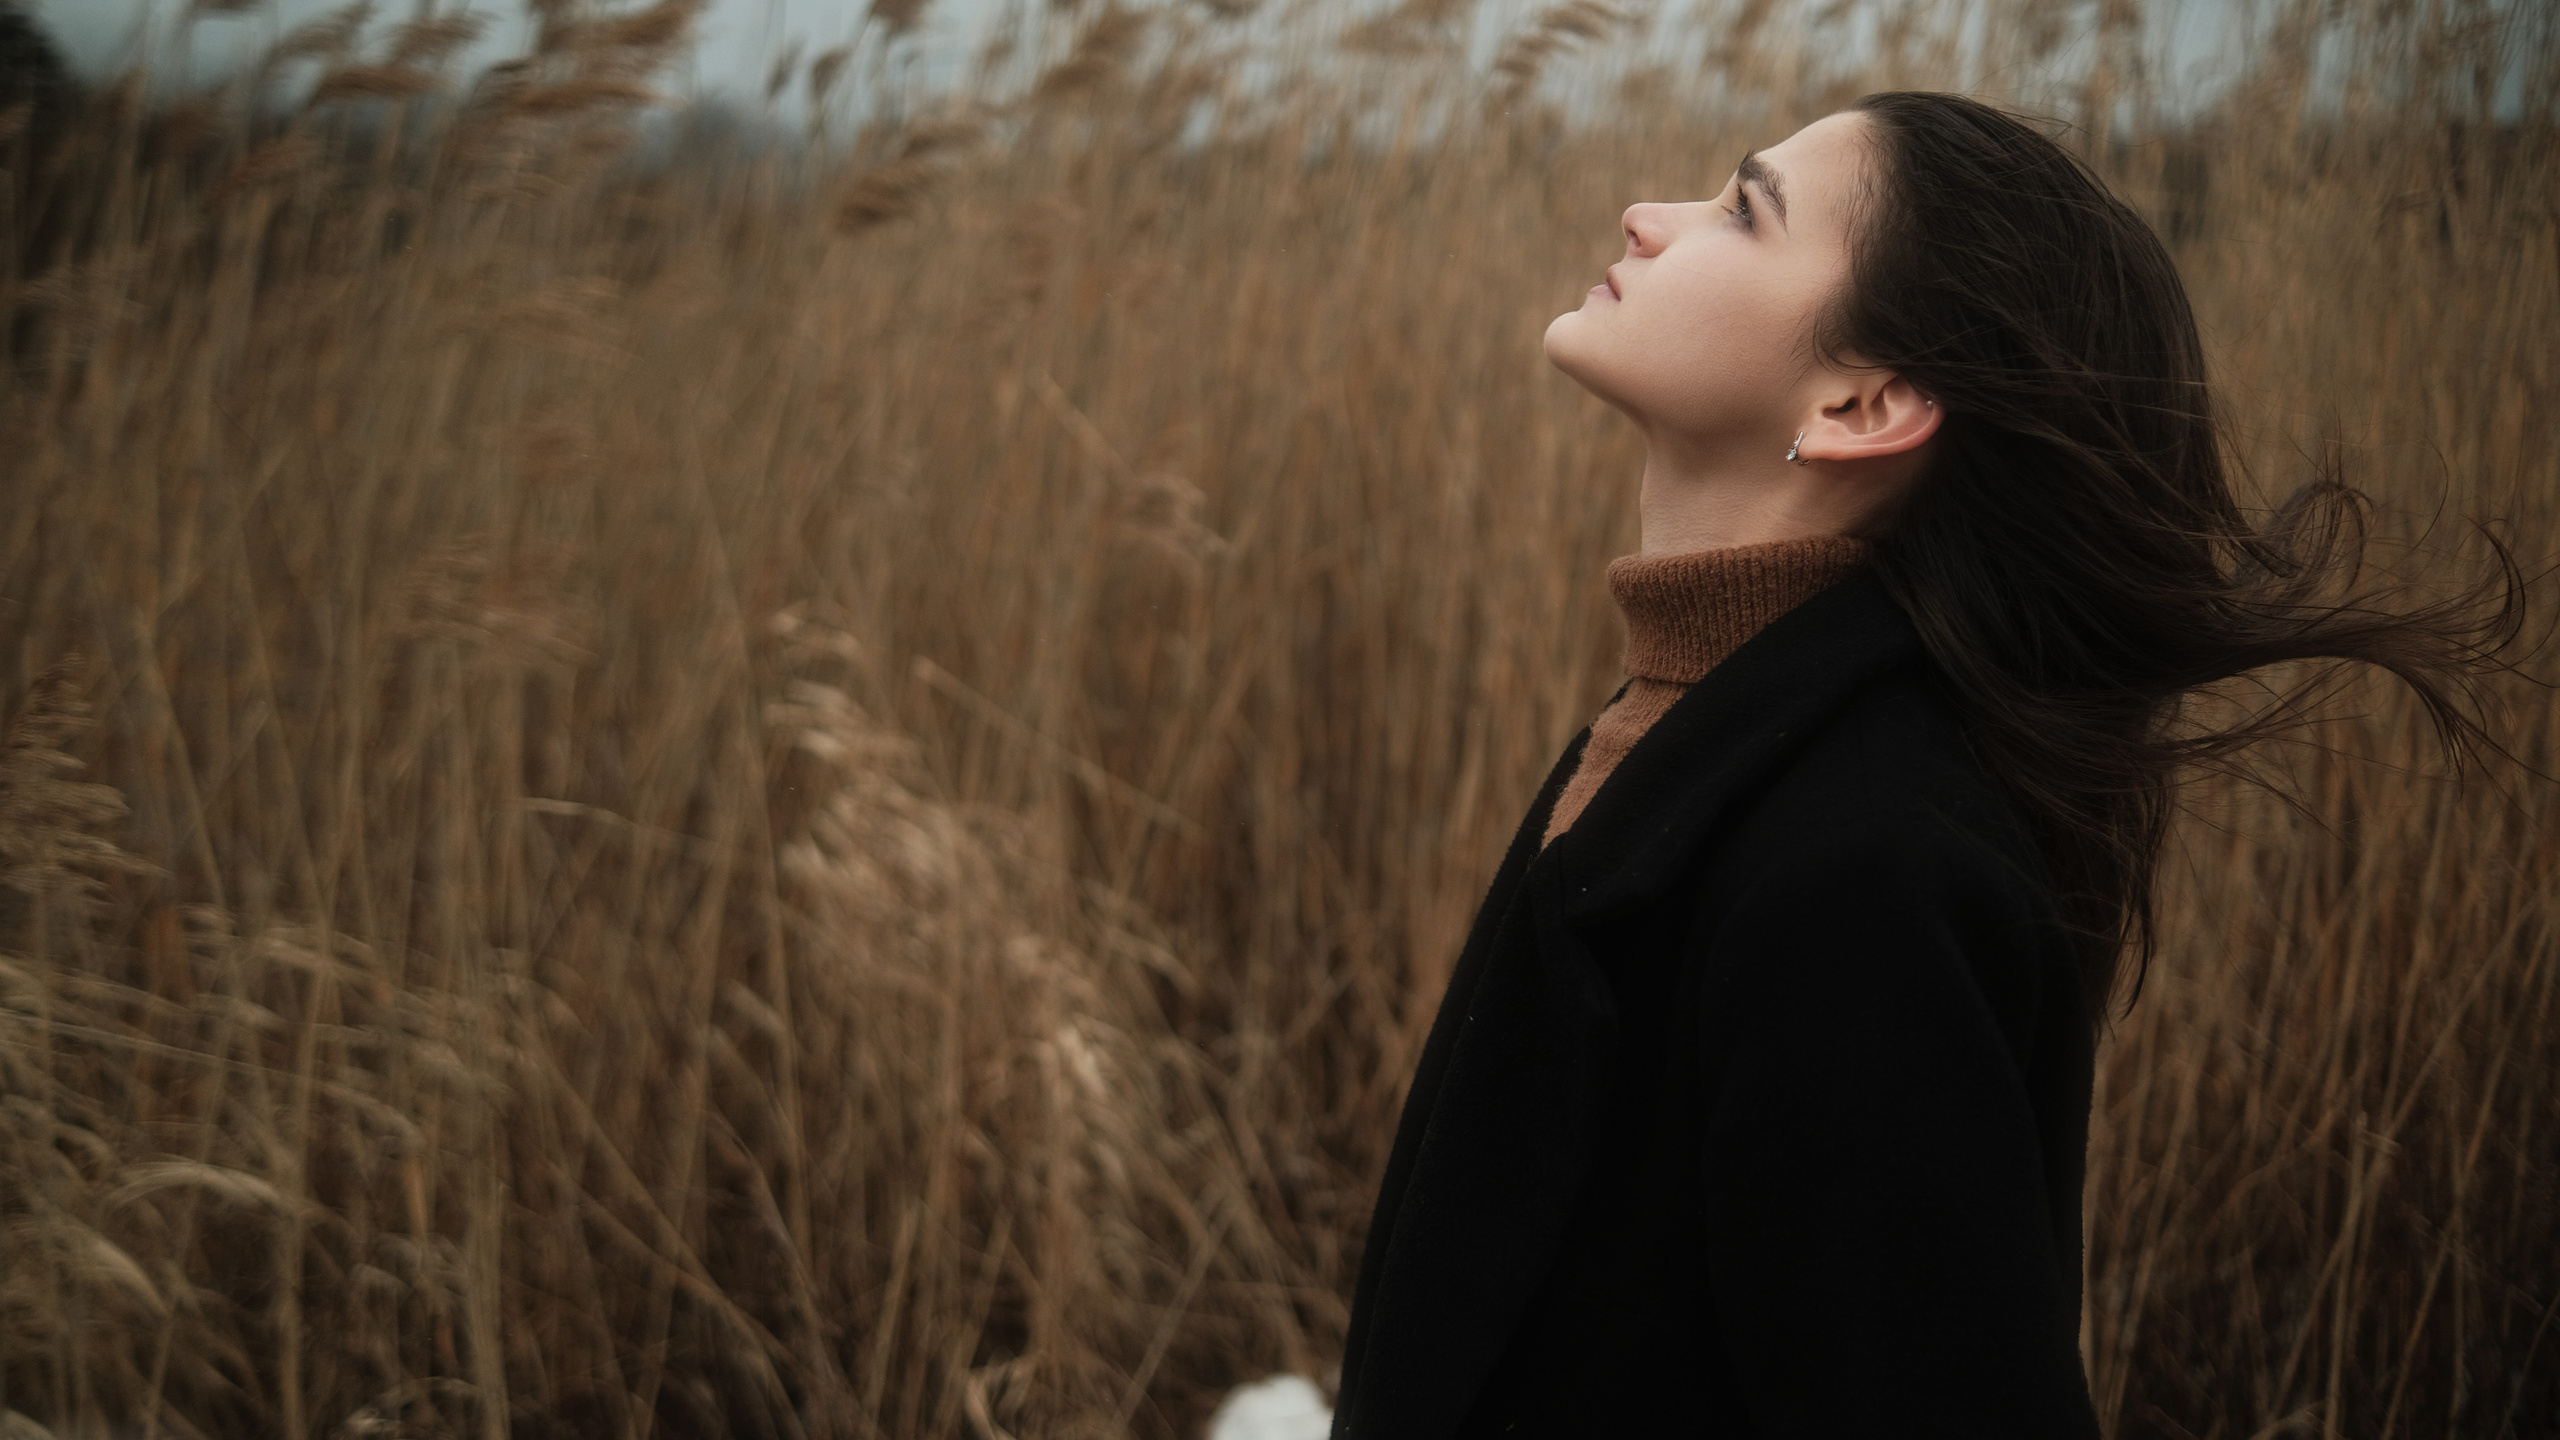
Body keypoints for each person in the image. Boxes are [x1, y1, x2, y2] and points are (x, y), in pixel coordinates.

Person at [1327, 92, 2519, 1438]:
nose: (1643, 218)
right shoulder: (1688, 725)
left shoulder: (1865, 868)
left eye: (1740, 208)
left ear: (1863, 402)